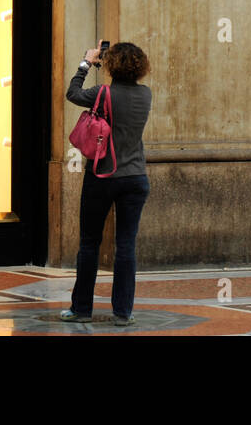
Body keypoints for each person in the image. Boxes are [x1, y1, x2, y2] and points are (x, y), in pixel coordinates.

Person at [60, 40, 152, 325]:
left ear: (111, 66)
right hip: (135, 178)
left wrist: (87, 62)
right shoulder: (146, 94)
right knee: (126, 246)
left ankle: (82, 309)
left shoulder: (102, 92)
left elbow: (72, 93)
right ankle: (123, 312)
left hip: (102, 176)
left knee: (89, 243)